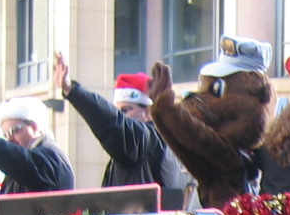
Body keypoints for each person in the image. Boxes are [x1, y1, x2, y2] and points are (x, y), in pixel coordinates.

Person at [53, 52, 189, 192]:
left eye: (125, 110)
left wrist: (72, 91)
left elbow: (114, 123)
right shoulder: (139, 145)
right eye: (117, 110)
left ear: (148, 112)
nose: (121, 116)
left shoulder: (148, 140)